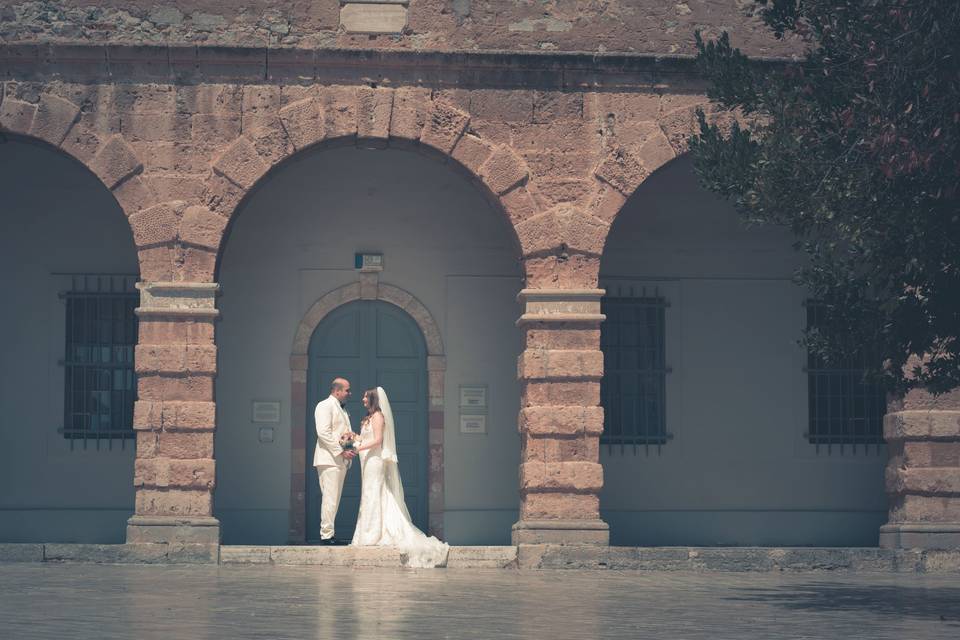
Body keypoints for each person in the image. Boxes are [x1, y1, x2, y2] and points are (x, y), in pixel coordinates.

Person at [351, 387, 449, 567]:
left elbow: (378, 440)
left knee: (373, 493)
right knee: (370, 493)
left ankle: (373, 534)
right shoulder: (370, 417)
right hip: (367, 460)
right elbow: (367, 438)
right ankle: (369, 532)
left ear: (373, 398)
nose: (363, 399)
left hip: (375, 460)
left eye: (366, 396)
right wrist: (353, 438)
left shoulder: (379, 416)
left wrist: (358, 448)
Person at [313, 377, 357, 545]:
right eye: (347, 390)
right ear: (337, 390)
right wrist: (341, 452)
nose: (349, 393)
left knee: (334, 498)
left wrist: (350, 448)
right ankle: (326, 535)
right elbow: (323, 432)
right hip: (329, 459)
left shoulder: (342, 410)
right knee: (330, 498)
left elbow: (344, 433)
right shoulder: (324, 405)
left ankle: (329, 533)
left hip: (340, 460)